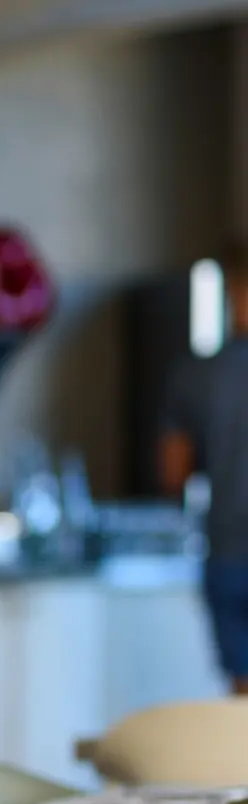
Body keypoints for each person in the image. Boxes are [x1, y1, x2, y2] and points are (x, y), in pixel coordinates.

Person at [162, 244, 248, 695]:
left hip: (228, 550)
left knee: (241, 702)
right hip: (227, 551)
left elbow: (174, 474)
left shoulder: (195, 375)